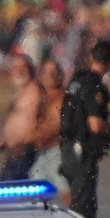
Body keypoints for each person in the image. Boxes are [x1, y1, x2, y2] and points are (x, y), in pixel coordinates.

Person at [60, 40, 110, 218]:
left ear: (91, 57)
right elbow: (95, 125)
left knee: (78, 200)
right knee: (83, 207)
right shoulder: (96, 87)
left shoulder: (77, 81)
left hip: (67, 149)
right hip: (83, 152)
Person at [0, 54, 44, 180]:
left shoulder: (35, 90)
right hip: (14, 151)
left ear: (31, 69)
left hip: (24, 151)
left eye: (23, 67)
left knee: (8, 193)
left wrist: (24, 143)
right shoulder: (20, 91)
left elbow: (36, 121)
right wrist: (4, 141)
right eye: (15, 67)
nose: (19, 70)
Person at [32, 60, 70, 197]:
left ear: (60, 75)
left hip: (58, 151)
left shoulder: (62, 97)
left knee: (64, 190)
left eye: (54, 72)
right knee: (36, 186)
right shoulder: (43, 96)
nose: (50, 76)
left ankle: (75, 216)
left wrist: (34, 136)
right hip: (43, 152)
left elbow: (59, 124)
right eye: (46, 72)